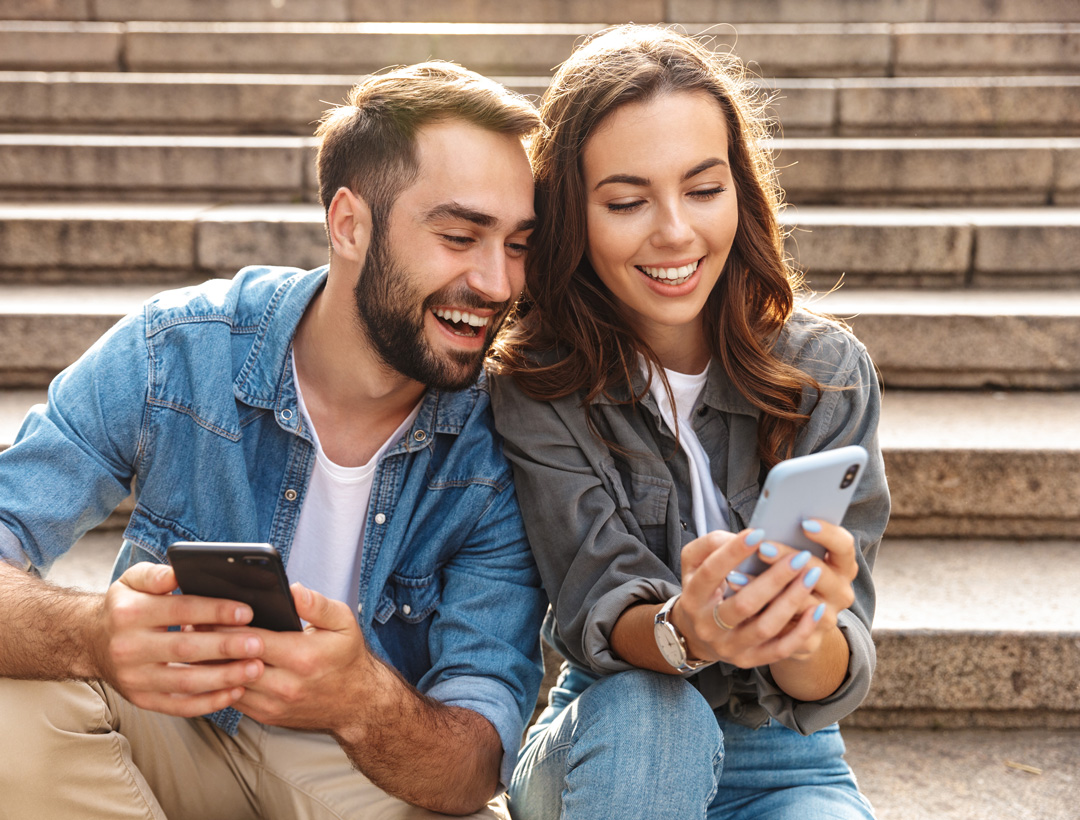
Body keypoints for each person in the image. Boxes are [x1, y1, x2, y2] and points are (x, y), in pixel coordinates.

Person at [0, 62, 547, 819]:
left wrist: (361, 699)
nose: (496, 282)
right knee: (11, 706)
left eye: (518, 244)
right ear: (349, 224)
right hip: (170, 729)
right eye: (459, 236)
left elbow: (476, 764)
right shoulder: (179, 350)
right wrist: (91, 633)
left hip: (355, 765)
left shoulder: (504, 444)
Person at [490, 26, 891, 820]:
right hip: (612, 730)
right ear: (572, 213)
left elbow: (837, 673)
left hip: (781, 755)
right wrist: (689, 629)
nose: (673, 231)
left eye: (703, 190)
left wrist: (802, 629)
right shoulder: (536, 387)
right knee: (656, 715)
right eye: (628, 201)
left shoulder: (828, 373)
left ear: (741, 192)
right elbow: (593, 604)